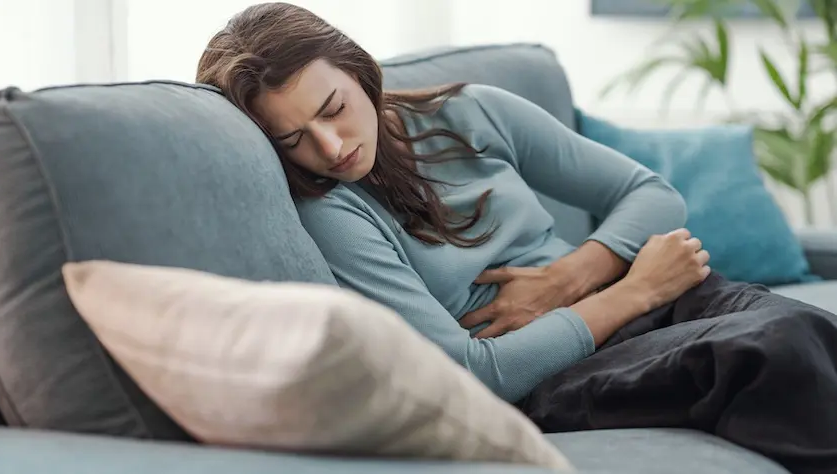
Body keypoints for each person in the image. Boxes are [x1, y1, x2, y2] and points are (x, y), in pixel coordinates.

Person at [196, 3, 837, 473]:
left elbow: (652, 194)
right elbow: (473, 374)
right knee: (775, 347)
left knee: (813, 333)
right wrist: (632, 290)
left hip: (658, 302)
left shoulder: (466, 113)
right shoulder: (334, 212)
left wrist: (569, 276)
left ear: (359, 73)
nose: (331, 147)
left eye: (333, 109)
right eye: (291, 140)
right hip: (558, 368)